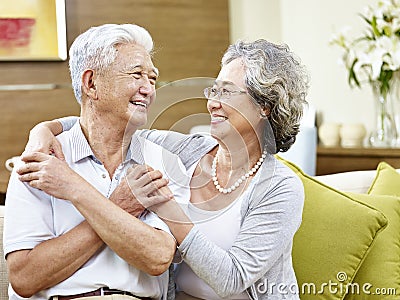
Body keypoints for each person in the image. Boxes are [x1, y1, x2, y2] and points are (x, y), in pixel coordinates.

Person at [17, 39, 310, 299]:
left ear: (265, 107)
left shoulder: (279, 187)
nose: (211, 103)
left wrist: (167, 208)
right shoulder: (186, 151)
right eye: (213, 90)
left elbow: (230, 279)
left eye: (227, 93)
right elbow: (102, 123)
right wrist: (44, 129)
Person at [2, 23, 190, 300]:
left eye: (152, 79)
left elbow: (158, 257)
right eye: (137, 75)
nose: (148, 90)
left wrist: (74, 189)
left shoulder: (165, 162)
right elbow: (24, 277)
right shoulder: (41, 160)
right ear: (91, 83)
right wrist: (119, 208)